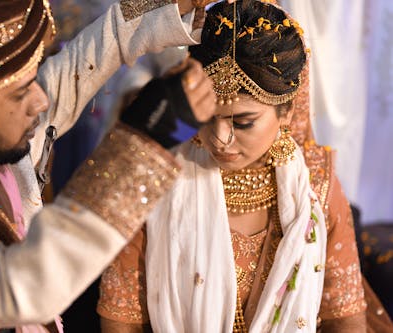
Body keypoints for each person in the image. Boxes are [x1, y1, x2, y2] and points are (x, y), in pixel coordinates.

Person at [0, 0, 218, 332]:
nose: (42, 100)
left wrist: (169, 5)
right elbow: (22, 289)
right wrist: (143, 144)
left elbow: (89, 57)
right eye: (21, 93)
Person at [97, 1, 369, 332]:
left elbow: (345, 317)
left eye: (243, 122)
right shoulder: (155, 172)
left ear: (285, 112)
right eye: (207, 117)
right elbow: (120, 319)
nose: (221, 139)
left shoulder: (315, 183)